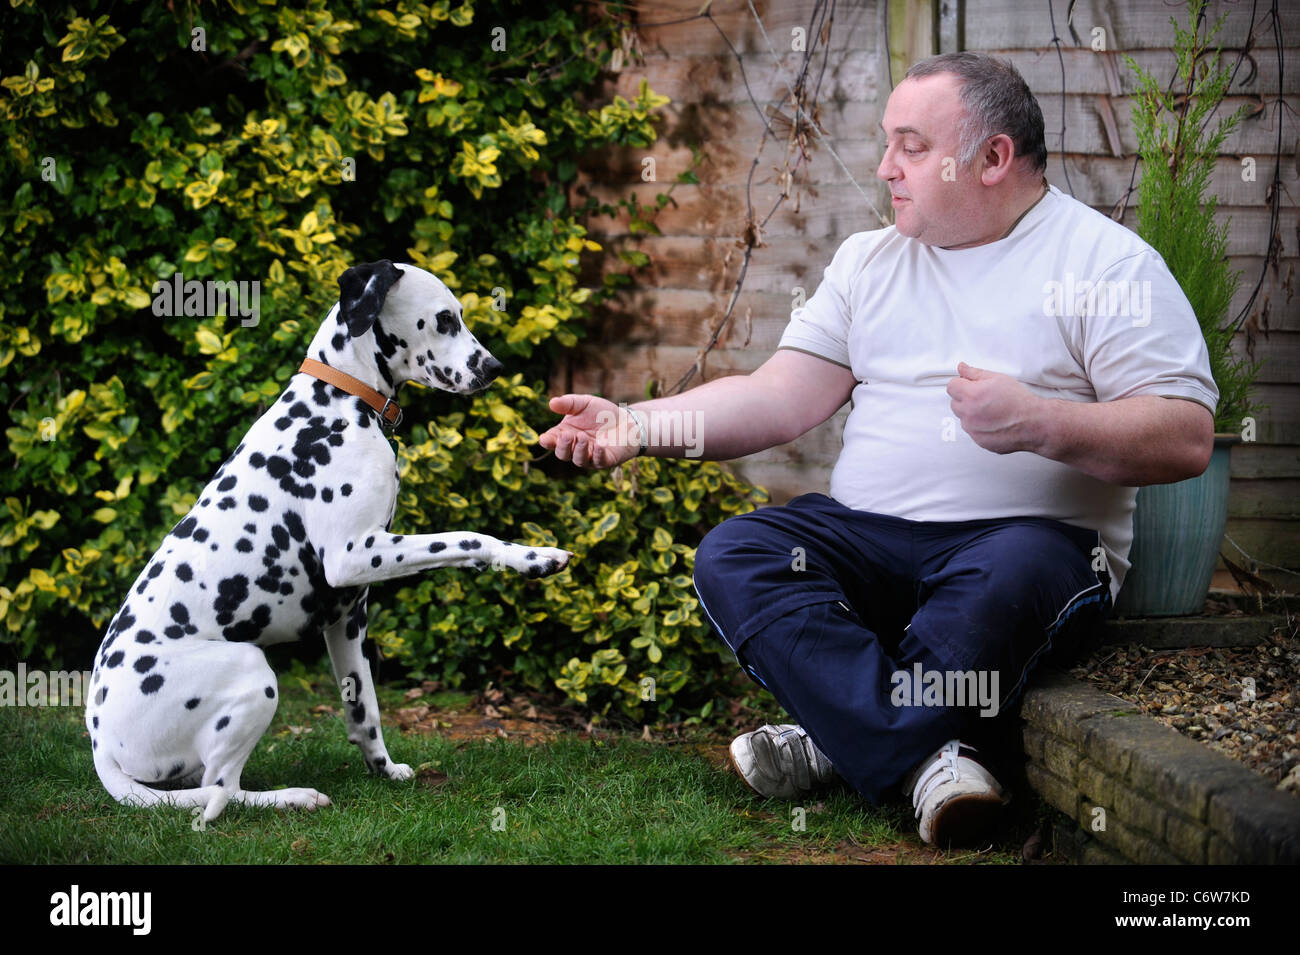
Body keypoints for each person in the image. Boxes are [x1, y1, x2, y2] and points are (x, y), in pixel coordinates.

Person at [538, 52, 1218, 845]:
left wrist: (1043, 422)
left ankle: (838, 736)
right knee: (738, 552)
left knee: (1014, 569)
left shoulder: (1105, 265)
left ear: (993, 158)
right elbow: (776, 397)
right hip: (869, 547)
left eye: (912, 145)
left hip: (1019, 555)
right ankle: (925, 757)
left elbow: (1185, 434)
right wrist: (639, 423)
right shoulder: (869, 261)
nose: (885, 165)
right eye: (888, 143)